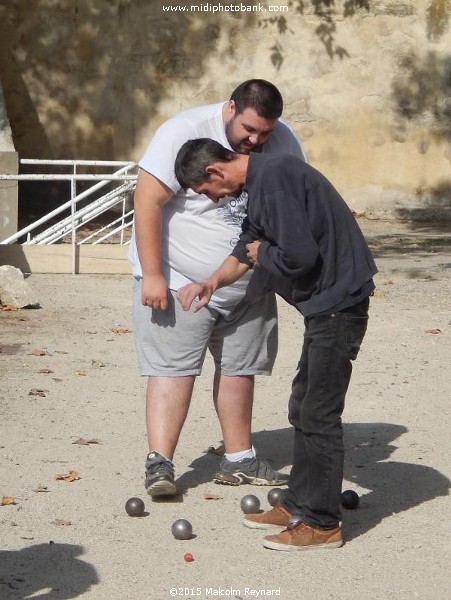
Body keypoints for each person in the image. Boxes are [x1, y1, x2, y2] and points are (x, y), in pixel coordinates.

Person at [174, 138, 377, 550]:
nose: (209, 199)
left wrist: (263, 252)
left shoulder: (277, 179)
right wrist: (212, 281)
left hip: (339, 306)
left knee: (319, 413)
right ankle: (299, 503)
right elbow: (247, 244)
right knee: (302, 406)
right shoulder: (261, 183)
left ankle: (321, 525)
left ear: (213, 172)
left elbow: (298, 256)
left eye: (204, 191)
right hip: (326, 307)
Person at [128, 80, 307, 497]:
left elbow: (295, 195)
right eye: (249, 129)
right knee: (173, 370)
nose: (256, 139)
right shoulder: (183, 131)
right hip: (177, 281)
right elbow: (147, 200)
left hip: (249, 284)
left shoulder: (282, 140)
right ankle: (161, 463)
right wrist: (153, 274)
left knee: (241, 370)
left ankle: (239, 459)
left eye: (265, 132)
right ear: (230, 108)